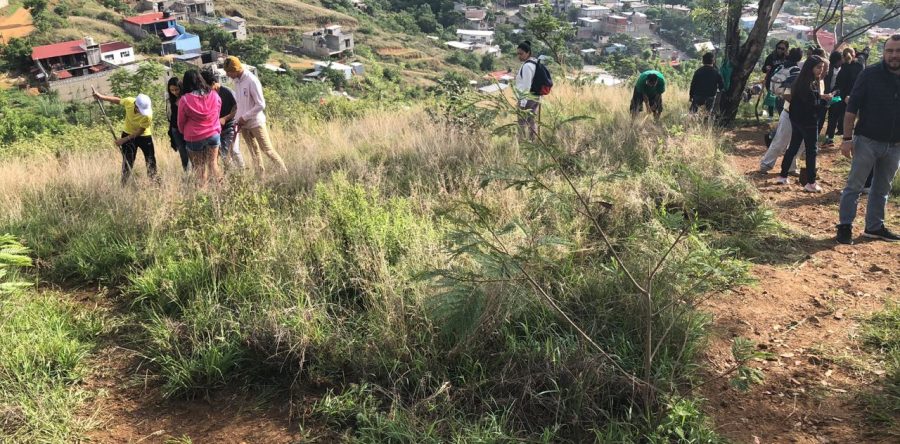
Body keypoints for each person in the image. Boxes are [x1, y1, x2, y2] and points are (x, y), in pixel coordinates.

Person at [836, 34, 900, 244]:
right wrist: (847, 138)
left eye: (898, 51)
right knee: (854, 186)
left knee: (882, 188)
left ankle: (874, 227)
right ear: (883, 52)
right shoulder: (870, 74)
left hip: (895, 145)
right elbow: (852, 107)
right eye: (889, 50)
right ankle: (845, 226)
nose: (894, 55)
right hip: (867, 141)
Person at [774, 55, 831, 193]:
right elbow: (812, 105)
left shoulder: (799, 81)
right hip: (809, 121)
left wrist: (820, 98)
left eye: (822, 68)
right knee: (811, 151)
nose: (821, 70)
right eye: (818, 67)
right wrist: (825, 102)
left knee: (793, 147)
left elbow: (804, 100)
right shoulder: (810, 83)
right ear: (810, 68)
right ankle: (811, 182)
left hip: (796, 120)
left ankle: (783, 175)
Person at [223, 56, 287, 175]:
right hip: (243, 124)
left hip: (256, 122)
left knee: (267, 150)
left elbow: (261, 104)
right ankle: (260, 176)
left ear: (236, 69)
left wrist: (245, 117)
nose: (227, 75)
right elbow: (240, 104)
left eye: (229, 72)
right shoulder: (237, 81)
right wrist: (238, 119)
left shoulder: (251, 80)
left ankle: (284, 173)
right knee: (253, 151)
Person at [92, 91, 157, 186]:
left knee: (150, 159)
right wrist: (101, 97)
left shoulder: (148, 115)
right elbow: (117, 101)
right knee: (127, 161)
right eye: (141, 110)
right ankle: (124, 185)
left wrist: (123, 140)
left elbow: (140, 131)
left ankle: (154, 182)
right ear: (136, 106)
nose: (143, 113)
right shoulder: (129, 102)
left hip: (144, 136)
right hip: (128, 132)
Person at [759, 48, 804, 173]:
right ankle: (768, 164)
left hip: (781, 101)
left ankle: (782, 166)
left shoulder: (782, 67)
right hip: (790, 107)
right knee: (784, 139)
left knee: (790, 139)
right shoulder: (796, 71)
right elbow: (789, 91)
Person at [177, 69, 222, 188]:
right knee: (213, 163)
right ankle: (220, 189)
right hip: (213, 134)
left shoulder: (184, 100)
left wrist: (183, 132)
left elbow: (181, 121)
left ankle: (203, 193)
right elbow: (218, 111)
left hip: (194, 137)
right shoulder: (214, 94)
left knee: (199, 167)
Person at [201, 69, 244, 170]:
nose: (205, 89)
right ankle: (232, 173)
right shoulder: (208, 95)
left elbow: (238, 108)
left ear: (213, 83)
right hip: (218, 129)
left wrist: (225, 118)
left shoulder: (227, 91)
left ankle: (242, 171)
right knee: (223, 154)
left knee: (234, 150)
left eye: (206, 86)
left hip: (231, 126)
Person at [514, 40, 541, 140]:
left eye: (521, 54)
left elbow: (527, 85)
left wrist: (522, 102)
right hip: (535, 96)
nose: (519, 56)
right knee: (531, 121)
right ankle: (532, 142)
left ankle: (521, 143)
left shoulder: (527, 66)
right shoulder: (534, 62)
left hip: (527, 98)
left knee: (521, 122)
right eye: (518, 54)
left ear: (528, 53)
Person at [820, 51, 844, 145]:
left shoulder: (842, 69)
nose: (842, 61)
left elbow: (841, 84)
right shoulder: (827, 68)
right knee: (821, 116)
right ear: (836, 60)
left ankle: (830, 137)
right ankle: (815, 134)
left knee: (833, 117)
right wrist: (826, 94)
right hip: (824, 96)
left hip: (836, 96)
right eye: (841, 59)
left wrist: (834, 93)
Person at [167, 77, 190, 172]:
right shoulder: (171, 99)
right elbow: (171, 116)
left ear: (181, 87)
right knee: (183, 153)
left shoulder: (186, 98)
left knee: (191, 151)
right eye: (172, 90)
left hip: (187, 129)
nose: (174, 92)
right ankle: (187, 173)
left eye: (176, 89)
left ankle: (195, 173)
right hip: (176, 130)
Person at [762, 40, 790, 116]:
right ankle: (771, 115)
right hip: (771, 81)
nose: (780, 50)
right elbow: (763, 69)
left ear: (786, 49)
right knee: (771, 97)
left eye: (782, 49)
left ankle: (782, 115)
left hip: (783, 82)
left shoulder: (788, 58)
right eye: (778, 48)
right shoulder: (771, 57)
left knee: (781, 99)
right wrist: (766, 68)